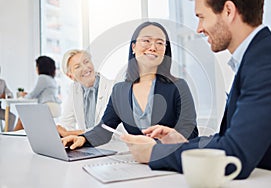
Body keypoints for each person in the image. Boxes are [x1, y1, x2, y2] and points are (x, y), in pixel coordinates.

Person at [121, 0, 271, 179]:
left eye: (201, 17)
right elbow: (227, 139)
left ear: (228, 11)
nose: (199, 29)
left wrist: (154, 153)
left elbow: (234, 155)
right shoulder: (258, 57)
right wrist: (180, 143)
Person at [61, 21, 199, 149]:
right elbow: (104, 130)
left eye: (160, 43)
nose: (153, 47)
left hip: (169, 164)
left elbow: (191, 133)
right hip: (136, 164)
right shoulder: (119, 90)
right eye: (146, 40)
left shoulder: (178, 86)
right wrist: (83, 139)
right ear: (134, 47)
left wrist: (160, 142)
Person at [56, 49, 114, 137]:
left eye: (86, 62)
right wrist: (59, 129)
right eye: (77, 67)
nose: (85, 68)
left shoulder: (113, 88)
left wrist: (69, 134)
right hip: (89, 146)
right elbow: (66, 123)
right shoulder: (74, 90)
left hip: (114, 146)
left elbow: (110, 131)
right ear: (70, 76)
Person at [14, 56, 62, 130]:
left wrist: (23, 96)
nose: (36, 68)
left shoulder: (42, 78)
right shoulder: (52, 79)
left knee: (22, 118)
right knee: (25, 119)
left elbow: (33, 94)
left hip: (47, 107)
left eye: (37, 66)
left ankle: (10, 138)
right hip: (55, 107)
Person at [0, 66, 16, 131]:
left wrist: (7, 95)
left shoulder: (2, 82)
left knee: (11, 117)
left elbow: (10, 94)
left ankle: (5, 136)